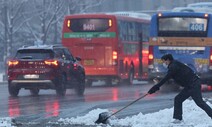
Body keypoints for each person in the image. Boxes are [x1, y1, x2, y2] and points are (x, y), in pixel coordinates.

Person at [148, 54, 212, 123]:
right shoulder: (174, 65)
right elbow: (169, 77)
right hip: (190, 85)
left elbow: (166, 78)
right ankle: (178, 119)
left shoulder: (173, 66)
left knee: (199, 102)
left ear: (168, 60)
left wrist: (155, 87)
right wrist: (157, 85)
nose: (164, 63)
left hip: (194, 84)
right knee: (178, 99)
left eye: (164, 61)